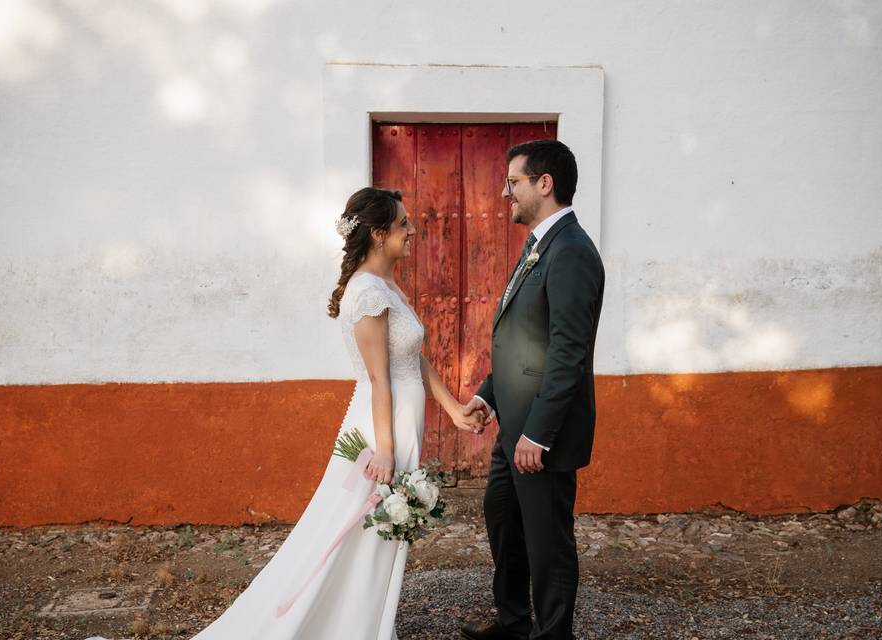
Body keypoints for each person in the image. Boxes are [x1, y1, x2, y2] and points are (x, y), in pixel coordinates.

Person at [178, 187, 481, 639]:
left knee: (373, 537)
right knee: (354, 535)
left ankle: (369, 624)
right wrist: (385, 451)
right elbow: (380, 379)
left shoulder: (386, 286)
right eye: (403, 224)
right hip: (382, 431)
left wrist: (453, 408)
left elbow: (411, 355)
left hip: (395, 424)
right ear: (379, 235)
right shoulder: (365, 293)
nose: (412, 230)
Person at [460, 140, 605, 640]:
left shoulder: (571, 252)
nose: (505, 193)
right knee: (503, 520)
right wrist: (488, 395)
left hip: (542, 437)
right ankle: (513, 623)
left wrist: (538, 435)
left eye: (513, 182)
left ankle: (553, 634)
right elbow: (524, 342)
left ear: (545, 184)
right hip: (513, 427)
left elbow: (568, 353)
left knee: (547, 542)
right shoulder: (540, 244)